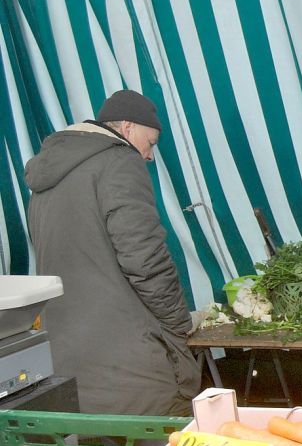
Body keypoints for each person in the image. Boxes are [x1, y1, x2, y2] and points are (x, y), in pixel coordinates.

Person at [25, 89, 200, 416]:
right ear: (128, 128)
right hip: (128, 364)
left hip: (67, 359)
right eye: (151, 144)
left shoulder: (46, 178)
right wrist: (179, 321)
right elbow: (144, 259)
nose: (149, 156)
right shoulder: (120, 161)